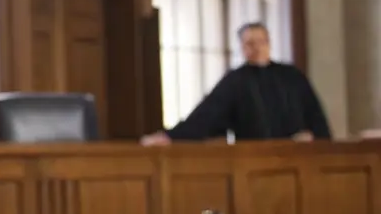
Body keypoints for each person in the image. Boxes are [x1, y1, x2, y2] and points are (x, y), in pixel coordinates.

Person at [142, 21, 331, 145]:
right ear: (242, 47)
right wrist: (171, 136)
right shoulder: (236, 81)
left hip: (298, 155)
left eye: (261, 42)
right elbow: (206, 115)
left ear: (268, 43)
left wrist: (318, 140)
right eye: (250, 43)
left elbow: (315, 116)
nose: (256, 48)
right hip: (254, 158)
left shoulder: (292, 76)